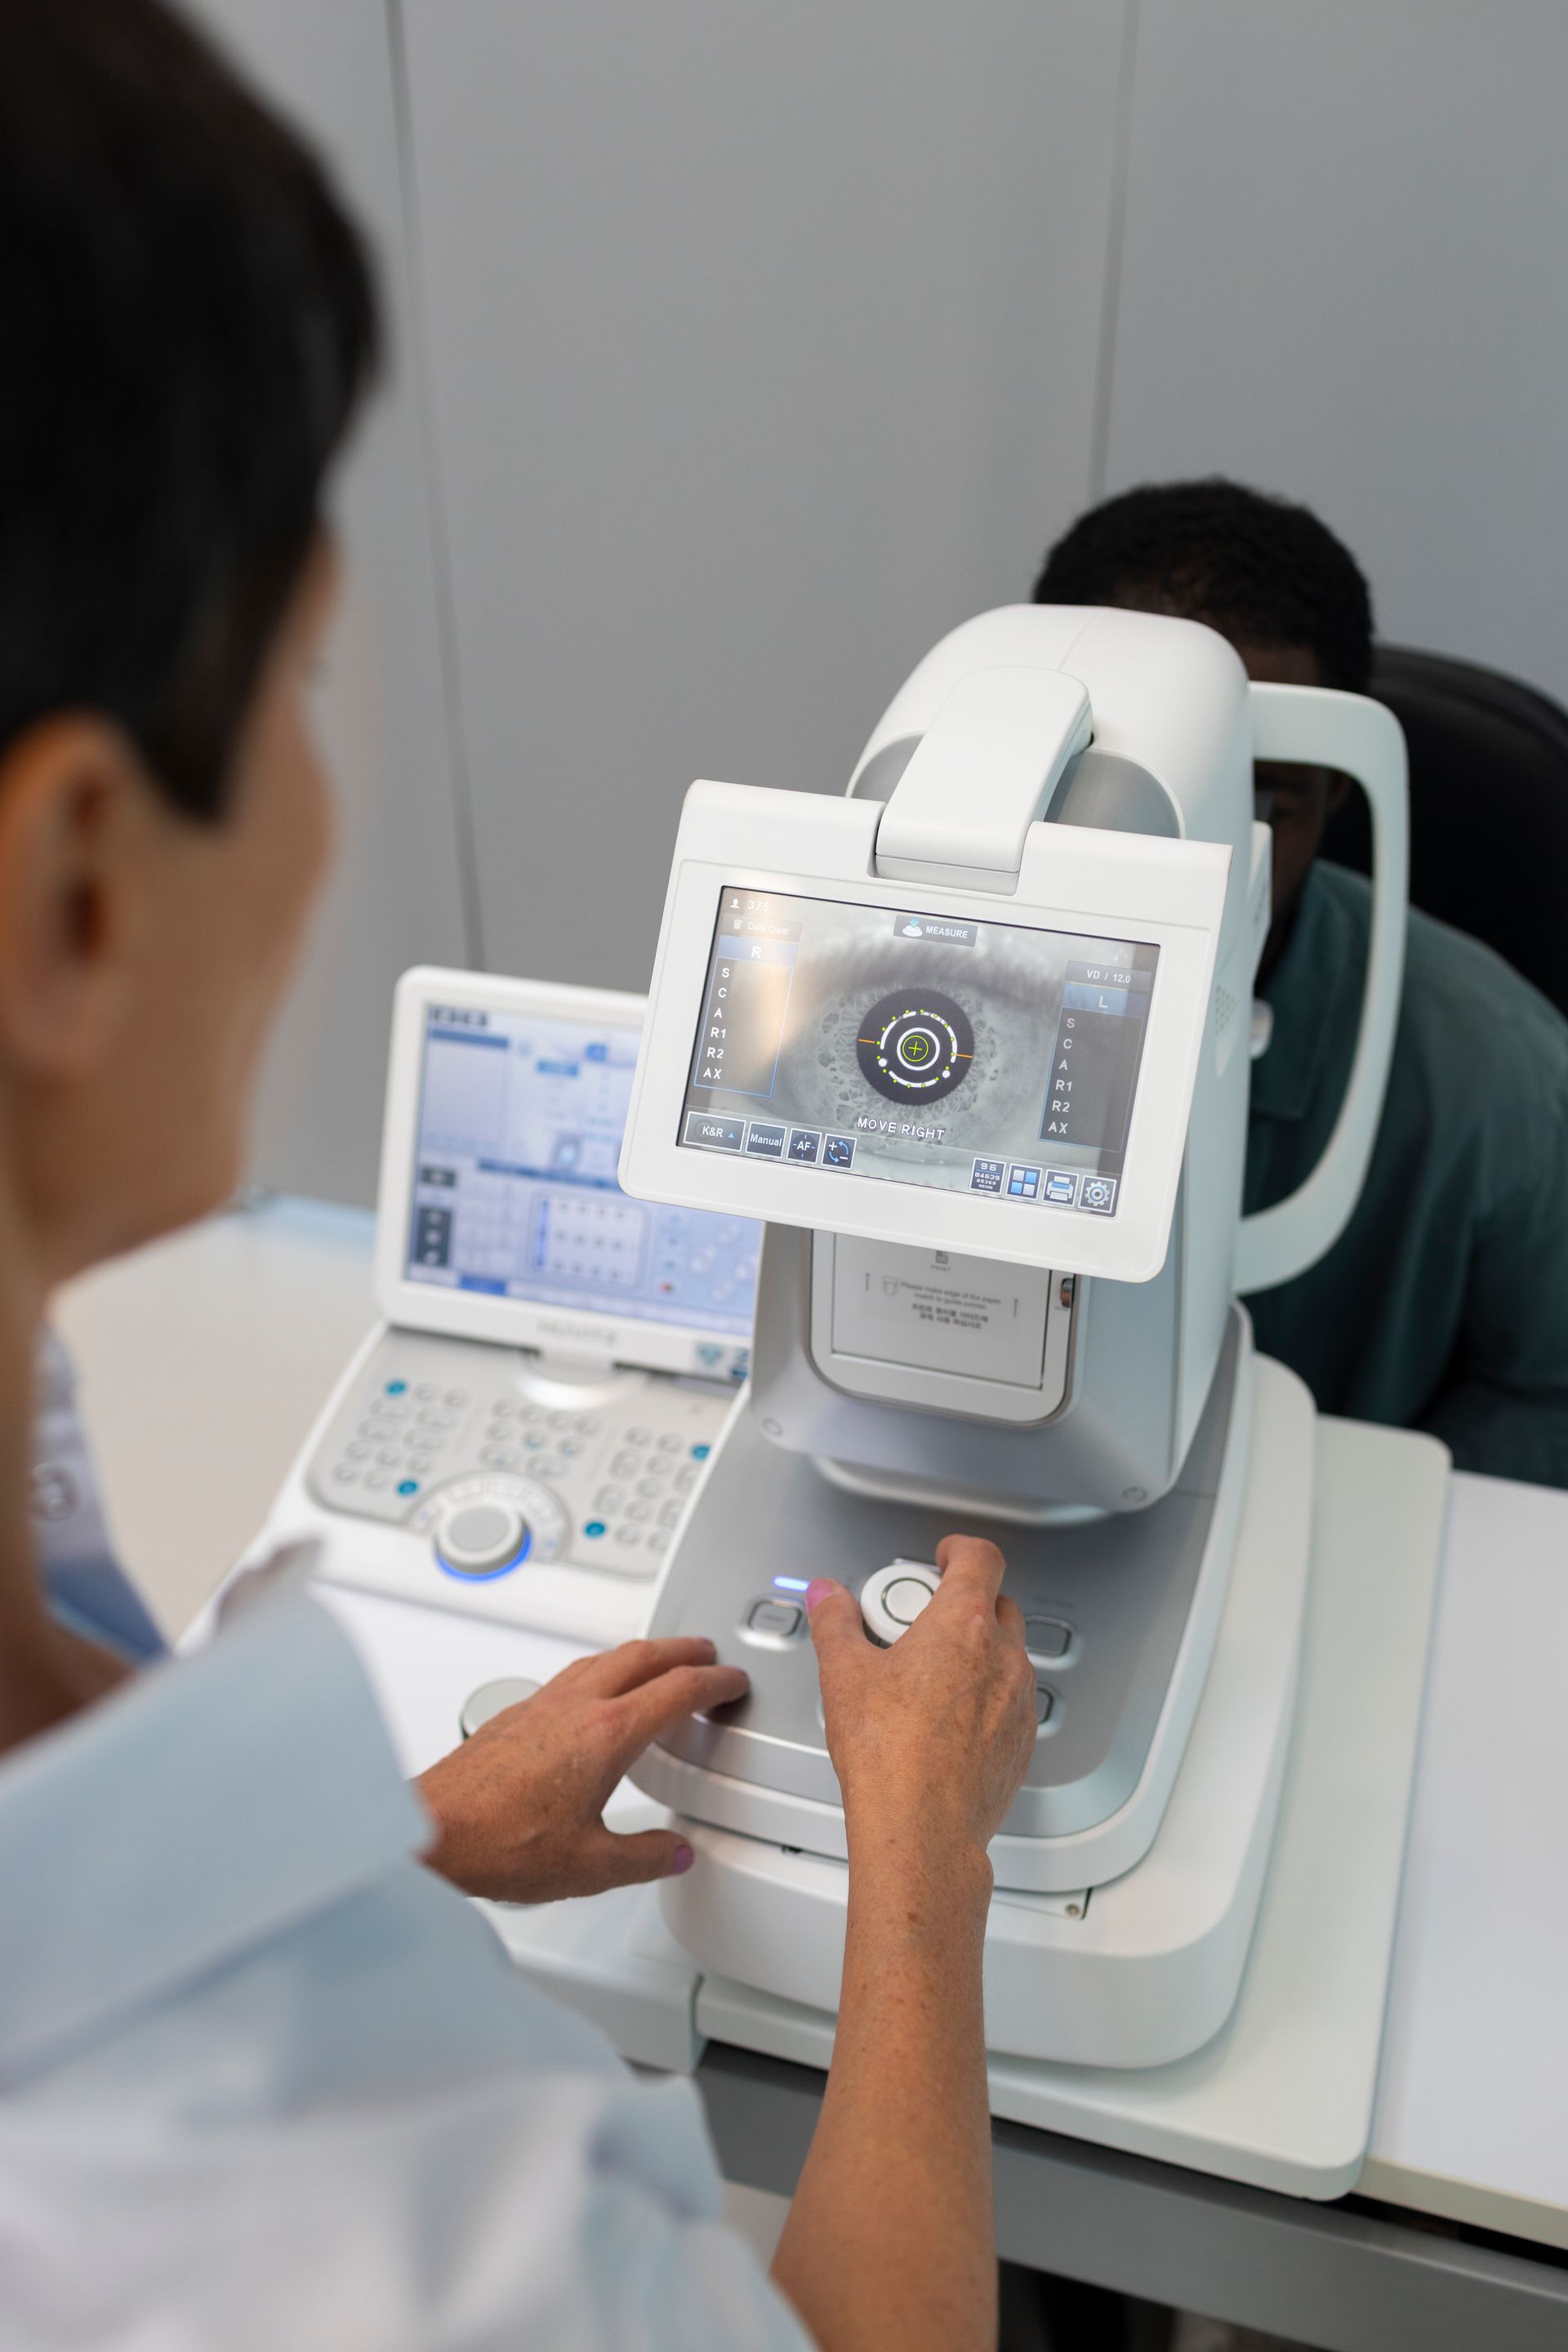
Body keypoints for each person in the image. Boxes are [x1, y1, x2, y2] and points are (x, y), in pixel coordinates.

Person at [0, 7, 1040, 2349]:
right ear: (75, 887)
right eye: (302, 695)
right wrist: (924, 1880)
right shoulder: (363, 2250)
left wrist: (404, 1845)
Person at [1034, 478, 1568, 1490]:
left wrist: (1357, 1499)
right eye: (1142, 784)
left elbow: (1552, 1391)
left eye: (1262, 797)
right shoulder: (904, 978)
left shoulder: (1499, 1073)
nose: (1199, 848)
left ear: (1333, 799)